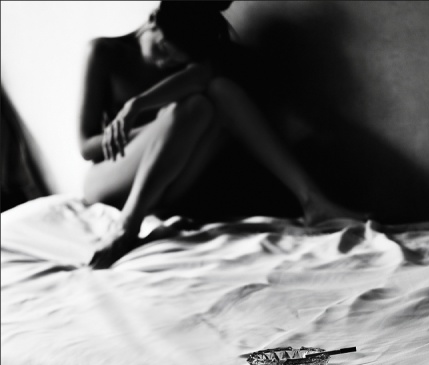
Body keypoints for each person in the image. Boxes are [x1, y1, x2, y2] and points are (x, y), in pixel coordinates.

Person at [80, 1, 364, 269]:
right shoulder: (105, 52)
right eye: (163, 48)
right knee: (193, 106)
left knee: (218, 92)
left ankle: (312, 200)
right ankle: (127, 225)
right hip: (110, 179)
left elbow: (202, 76)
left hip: (167, 189)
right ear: (153, 19)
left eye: (175, 61)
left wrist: (138, 105)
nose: (164, 63)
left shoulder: (195, 53)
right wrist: (149, 127)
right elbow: (86, 146)